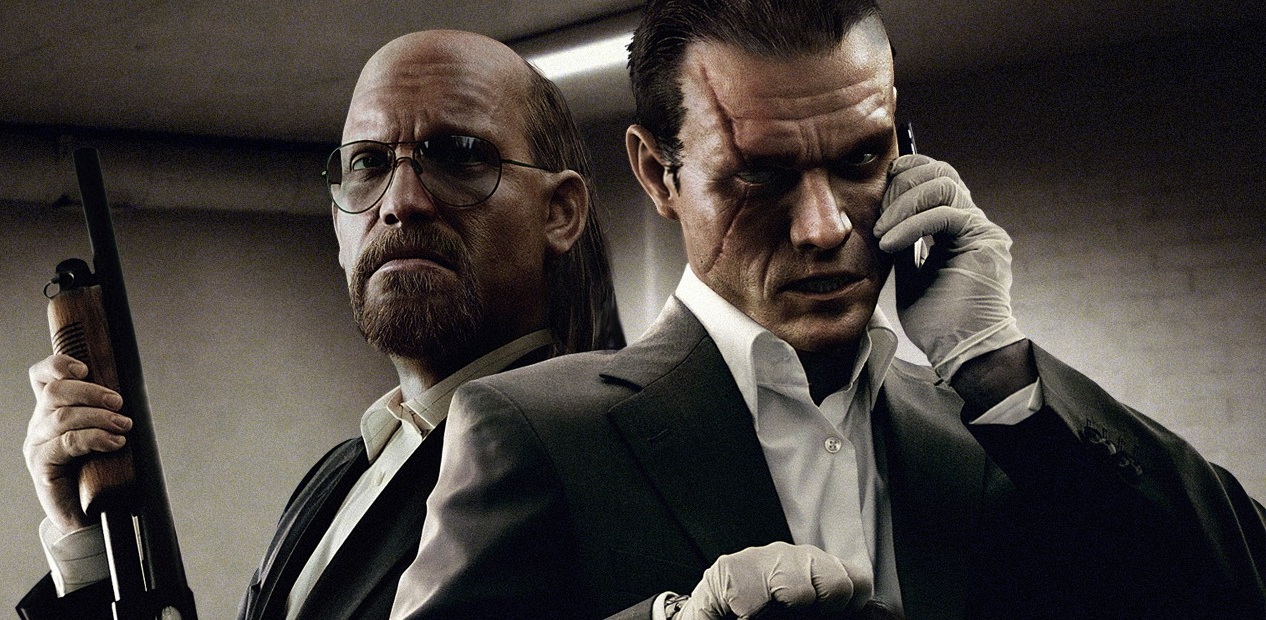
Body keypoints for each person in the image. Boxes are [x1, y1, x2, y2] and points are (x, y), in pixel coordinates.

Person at [392, 2, 1266, 619]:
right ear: (659, 174)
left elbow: (1239, 586)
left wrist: (995, 361)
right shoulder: (535, 430)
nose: (824, 227)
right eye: (760, 174)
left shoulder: (997, 434)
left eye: (860, 161)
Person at [15, 30, 623, 620]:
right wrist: (88, 543)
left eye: (460, 156)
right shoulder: (339, 474)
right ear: (337, 226)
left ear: (560, 213)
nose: (399, 202)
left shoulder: (585, 461)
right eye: (368, 163)